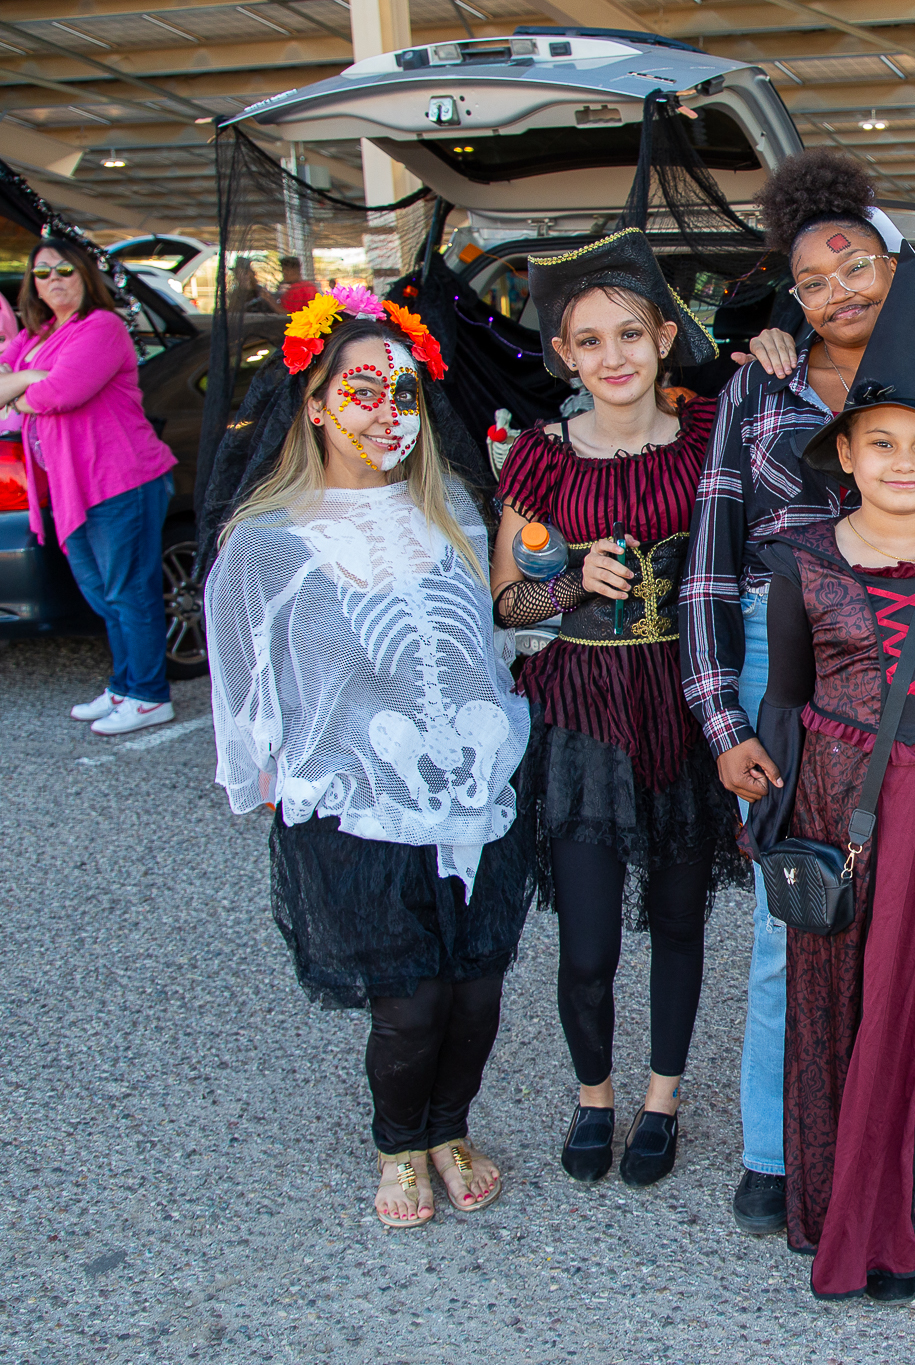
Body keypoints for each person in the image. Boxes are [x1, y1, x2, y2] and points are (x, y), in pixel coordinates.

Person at [681, 148, 915, 1236]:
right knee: (794, 911)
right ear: (787, 296)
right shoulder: (759, 383)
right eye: (811, 279)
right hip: (787, 648)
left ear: (893, 268)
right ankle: (774, 1145)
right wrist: (719, 716)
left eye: (856, 267)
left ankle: (910, 1144)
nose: (837, 290)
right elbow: (710, 557)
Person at [203, 290, 534, 1229]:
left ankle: (450, 1127)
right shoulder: (266, 542)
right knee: (411, 1007)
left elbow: (495, 646)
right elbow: (239, 675)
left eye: (405, 390)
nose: (387, 409)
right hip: (358, 809)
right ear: (313, 403)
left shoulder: (459, 515)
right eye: (362, 387)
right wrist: (260, 772)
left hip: (474, 796)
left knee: (476, 999)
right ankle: (398, 1142)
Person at [742, 243, 915, 1303]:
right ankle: (850, 1210)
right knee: (838, 1005)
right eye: (881, 444)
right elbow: (782, 700)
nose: (903, 461)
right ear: (846, 456)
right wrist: (771, 816)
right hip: (840, 804)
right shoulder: (799, 561)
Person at [489, 230, 744, 1189]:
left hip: (684, 710)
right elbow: (505, 600)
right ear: (564, 354)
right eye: (589, 341)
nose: (614, 357)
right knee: (588, 941)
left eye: (631, 334)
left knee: (679, 922)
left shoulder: (709, 438)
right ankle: (593, 1094)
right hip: (583, 717)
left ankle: (661, 1099)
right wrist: (569, 590)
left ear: (665, 335)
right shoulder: (540, 459)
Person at [0, 239, 178, 734]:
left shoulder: (101, 327)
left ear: (84, 277)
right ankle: (125, 685)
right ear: (32, 286)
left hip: (120, 480)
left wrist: (25, 389)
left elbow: (61, 393)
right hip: (73, 486)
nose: (53, 280)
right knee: (103, 593)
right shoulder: (39, 338)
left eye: (64, 270)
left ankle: (149, 696)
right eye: (42, 274)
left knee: (129, 592)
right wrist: (33, 375)